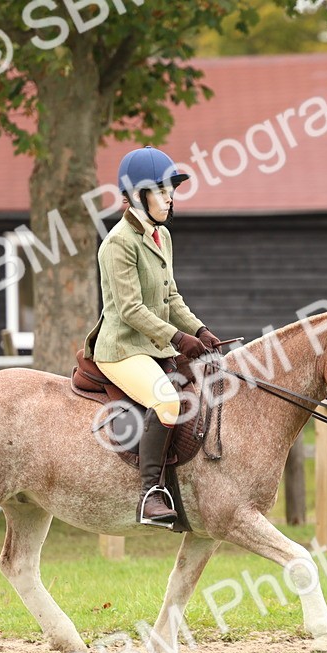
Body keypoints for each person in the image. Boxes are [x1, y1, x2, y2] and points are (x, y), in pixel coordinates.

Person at [82, 146, 225, 527]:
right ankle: (150, 495)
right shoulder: (118, 243)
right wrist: (179, 340)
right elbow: (131, 310)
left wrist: (199, 330)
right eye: (161, 190)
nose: (169, 197)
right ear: (136, 195)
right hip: (122, 348)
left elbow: (171, 297)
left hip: (153, 345)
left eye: (170, 190)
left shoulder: (161, 236)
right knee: (167, 401)